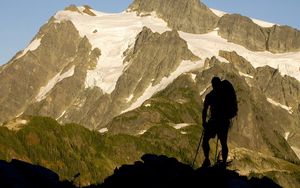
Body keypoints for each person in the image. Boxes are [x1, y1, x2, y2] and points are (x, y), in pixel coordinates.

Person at [201, 77, 231, 167]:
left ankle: (207, 159)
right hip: (223, 122)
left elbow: (205, 110)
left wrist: (204, 122)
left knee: (205, 141)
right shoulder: (224, 95)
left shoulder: (210, 96)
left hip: (213, 122)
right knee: (223, 143)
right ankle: (224, 163)